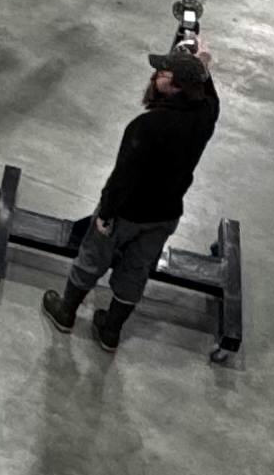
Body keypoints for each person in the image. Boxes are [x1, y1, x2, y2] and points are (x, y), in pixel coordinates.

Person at [52, 44, 219, 350]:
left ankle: (65, 313)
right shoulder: (205, 116)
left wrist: (105, 214)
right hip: (165, 215)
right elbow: (212, 98)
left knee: (92, 258)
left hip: (127, 212)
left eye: (163, 72)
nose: (156, 74)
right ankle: (111, 331)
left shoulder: (147, 126)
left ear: (175, 85)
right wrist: (204, 67)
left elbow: (123, 176)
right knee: (137, 270)